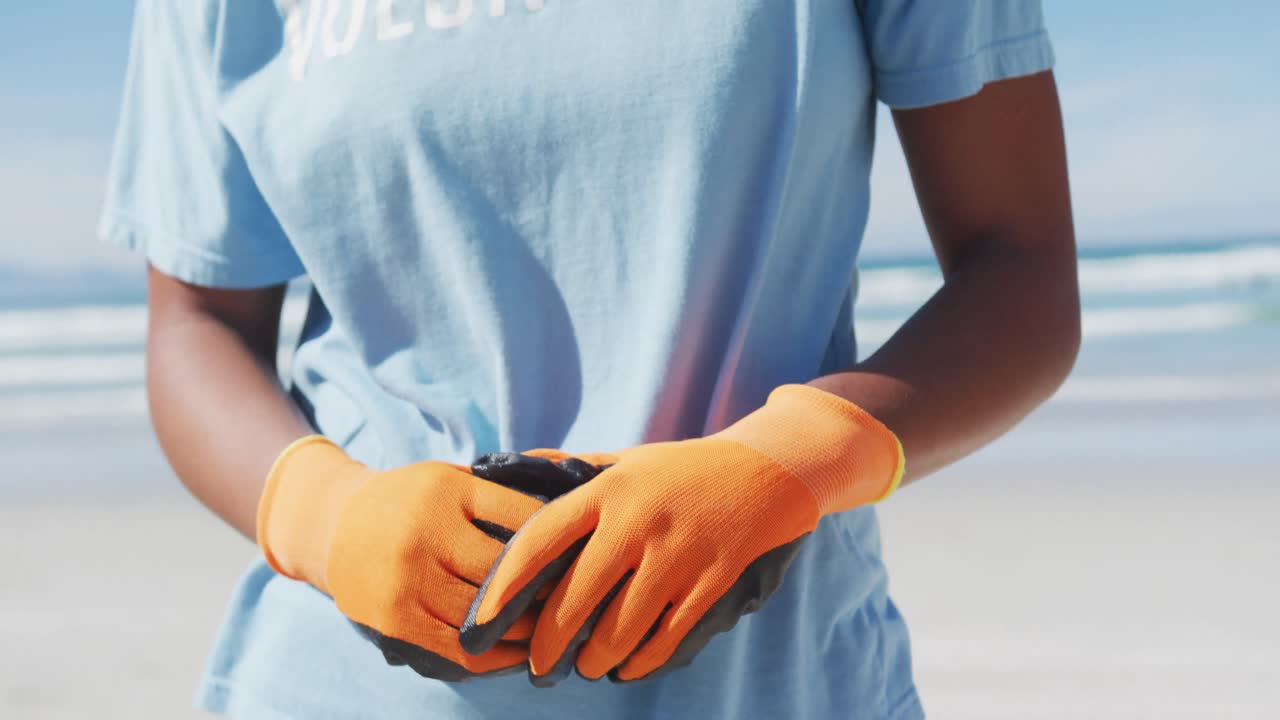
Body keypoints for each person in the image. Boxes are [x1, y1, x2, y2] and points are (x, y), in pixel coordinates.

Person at [101, 1, 1079, 718]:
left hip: (776, 689)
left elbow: (1018, 264)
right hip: (331, 688)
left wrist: (788, 460)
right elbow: (195, 323)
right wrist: (331, 517)